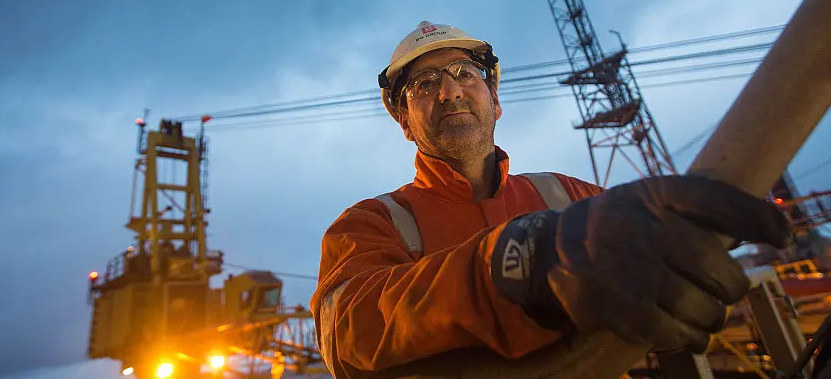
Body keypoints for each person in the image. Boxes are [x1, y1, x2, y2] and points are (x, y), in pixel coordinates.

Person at [310, 21, 792, 378]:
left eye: (464, 73)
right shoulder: (371, 224)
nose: (450, 91)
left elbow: (661, 246)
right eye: (425, 84)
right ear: (404, 121)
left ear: (494, 99)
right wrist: (518, 262)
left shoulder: (569, 197)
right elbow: (349, 333)